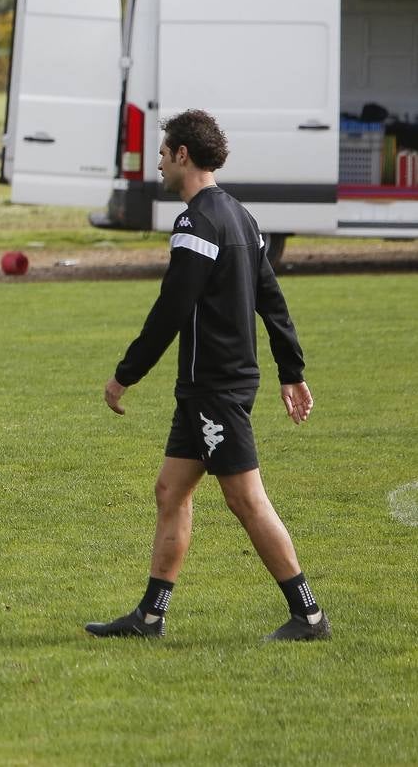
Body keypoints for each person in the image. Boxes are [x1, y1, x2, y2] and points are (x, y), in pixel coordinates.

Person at [87, 109, 329, 642]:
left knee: (245, 499)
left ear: (182, 155)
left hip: (215, 388)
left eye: (163, 152)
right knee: (171, 491)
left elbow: (173, 308)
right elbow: (272, 297)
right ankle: (150, 616)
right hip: (212, 385)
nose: (157, 162)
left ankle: (309, 614)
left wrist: (125, 374)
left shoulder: (197, 223)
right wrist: (291, 370)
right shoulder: (241, 216)